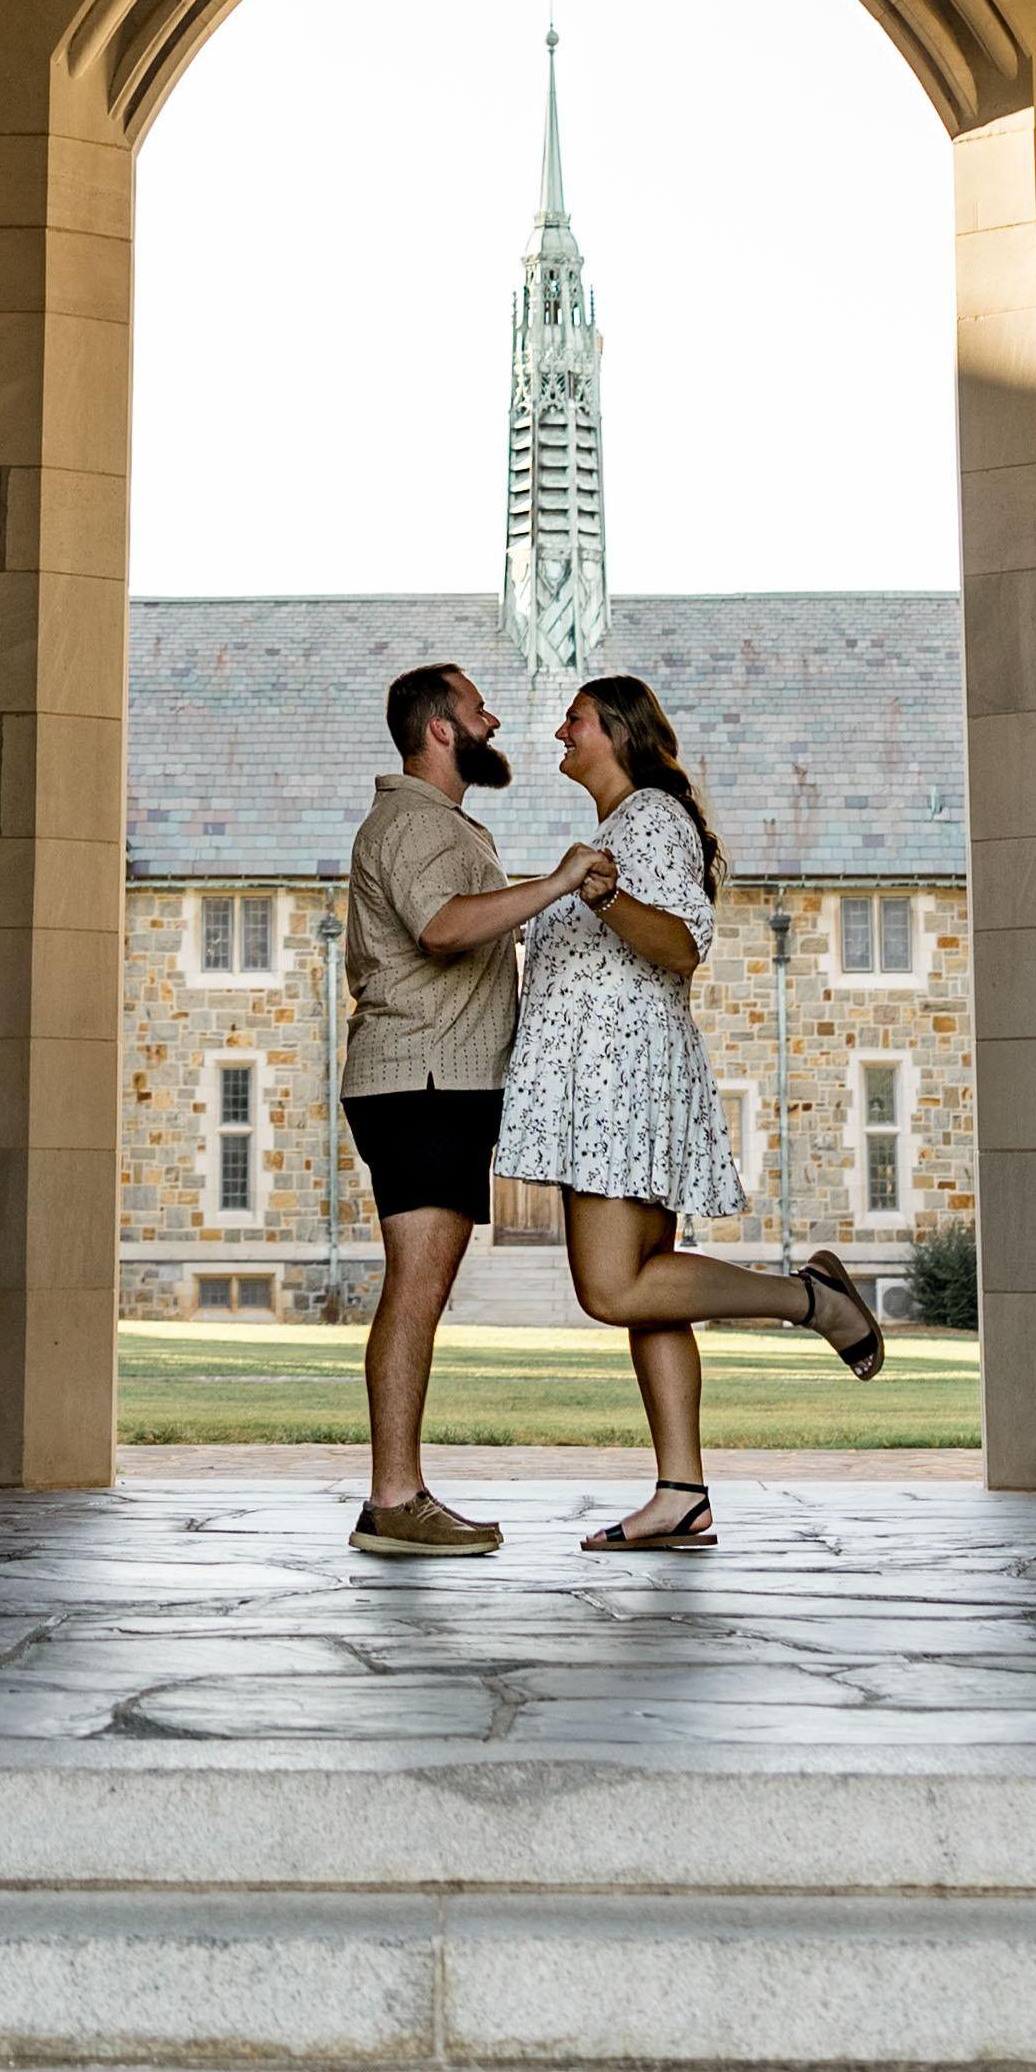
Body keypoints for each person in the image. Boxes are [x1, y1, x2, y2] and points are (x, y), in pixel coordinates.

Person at [490, 670, 889, 1551]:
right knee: (651, 1293)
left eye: (576, 719)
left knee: (612, 1288)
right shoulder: (617, 830)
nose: (560, 732)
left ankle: (811, 1300)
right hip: (603, 1086)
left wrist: (599, 895)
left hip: (621, 1084)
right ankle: (682, 1494)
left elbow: (678, 946)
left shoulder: (653, 820)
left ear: (620, 732)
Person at [332, 655, 612, 1558]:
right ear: (441, 728)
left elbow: (464, 919)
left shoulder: (437, 822)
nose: (494, 723)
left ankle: (397, 1496)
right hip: (422, 1087)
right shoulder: (416, 821)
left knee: (419, 1290)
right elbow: (443, 927)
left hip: (432, 1086)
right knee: (416, 1292)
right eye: (480, 710)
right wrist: (557, 882)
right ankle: (393, 1500)